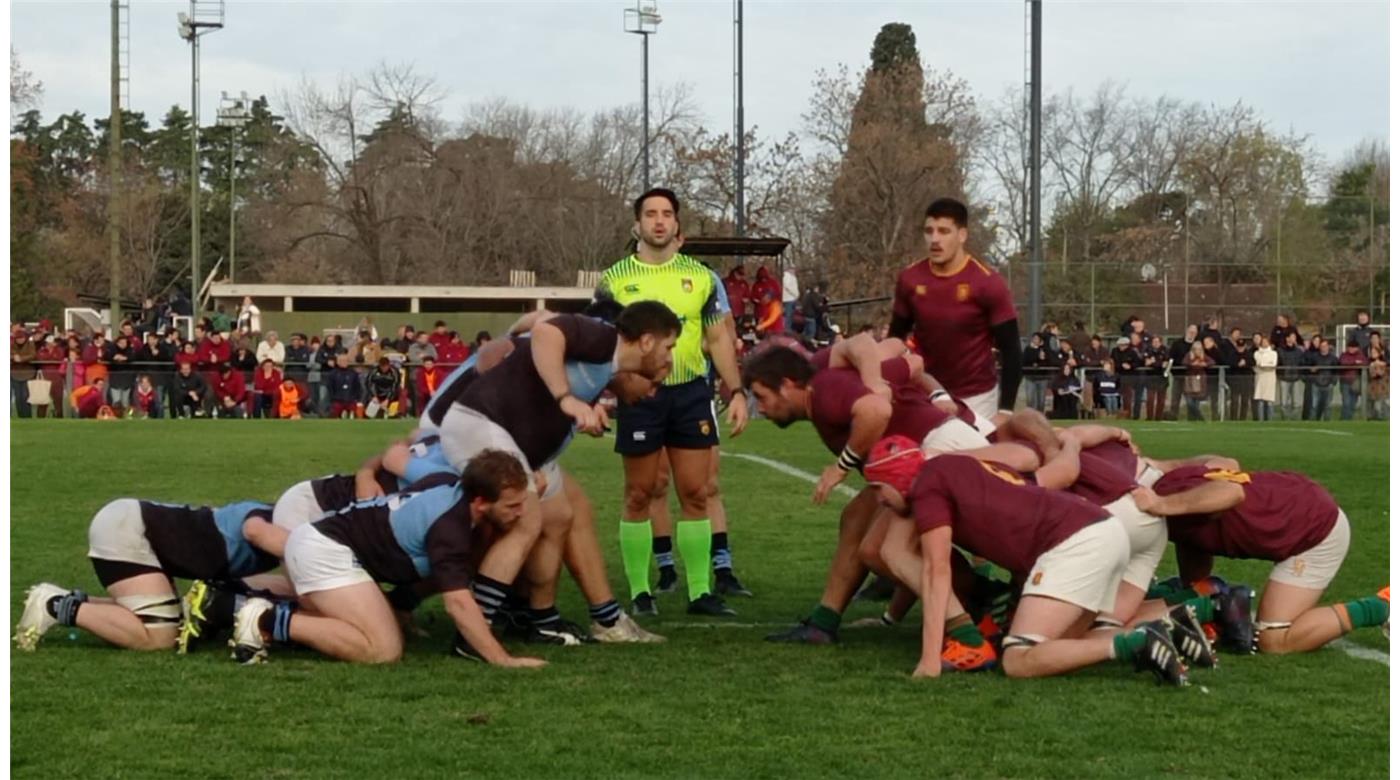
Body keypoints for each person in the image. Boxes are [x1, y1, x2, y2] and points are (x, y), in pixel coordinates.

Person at [422, 303, 681, 631]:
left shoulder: (601, 365)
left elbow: (537, 328)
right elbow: (542, 329)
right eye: (668, 347)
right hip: (471, 425)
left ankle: (548, 618)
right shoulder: (603, 337)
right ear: (645, 341)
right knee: (524, 516)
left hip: (500, 435)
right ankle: (477, 627)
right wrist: (564, 397)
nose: (671, 359)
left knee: (560, 514)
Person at [861, 441, 1188, 684]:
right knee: (1061, 648)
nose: (878, 500)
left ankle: (1141, 641)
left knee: (1018, 659)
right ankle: (1176, 622)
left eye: (878, 488)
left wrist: (930, 660)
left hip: (1075, 540)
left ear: (898, 476)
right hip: (1102, 528)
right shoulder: (958, 466)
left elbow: (936, 570)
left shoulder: (928, 485)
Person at [228, 451, 548, 667]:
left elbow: (395, 460)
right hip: (324, 549)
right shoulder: (451, 528)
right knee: (383, 649)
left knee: (372, 622)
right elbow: (459, 604)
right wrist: (503, 660)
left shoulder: (447, 482)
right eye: (512, 506)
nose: (521, 513)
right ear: (481, 502)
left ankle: (226, 598)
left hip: (324, 543)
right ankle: (264, 620)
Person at [595, 188, 751, 617]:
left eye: (667, 214)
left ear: (677, 225)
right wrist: (600, 393)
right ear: (637, 225)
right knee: (639, 493)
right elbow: (600, 339)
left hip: (690, 393)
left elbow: (719, 337)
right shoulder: (613, 277)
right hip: (639, 395)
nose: (659, 221)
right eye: (650, 214)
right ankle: (641, 592)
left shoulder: (702, 276)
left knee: (697, 493)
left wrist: (735, 390)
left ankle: (700, 592)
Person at [1135, 464, 1388, 654]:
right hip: (1299, 500)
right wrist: (1192, 592)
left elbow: (1231, 492)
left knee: (1273, 639)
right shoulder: (1165, 477)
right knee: (1193, 587)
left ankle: (1382, 605)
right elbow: (1224, 464)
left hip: (1315, 532)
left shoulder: (1161, 501)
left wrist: (1162, 504)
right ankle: (1197, 596)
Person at [14, 497, 283, 653]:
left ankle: (69, 600)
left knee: (172, 617)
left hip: (131, 525)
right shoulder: (273, 521)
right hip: (128, 532)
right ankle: (54, 605)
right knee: (160, 635)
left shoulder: (278, 516)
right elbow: (254, 530)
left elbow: (272, 583)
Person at [889, 198, 1021, 420]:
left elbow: (1012, 350)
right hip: (928, 394)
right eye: (929, 231)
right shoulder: (910, 279)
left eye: (943, 231)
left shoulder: (987, 283)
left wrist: (1006, 410)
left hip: (977, 397)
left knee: (973, 454)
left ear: (962, 235)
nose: (935, 239)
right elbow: (894, 340)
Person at [1308, 339, 1340, 420]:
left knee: (1328, 405)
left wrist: (1333, 382)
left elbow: (1336, 371)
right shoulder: (1314, 357)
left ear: (1328, 347)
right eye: (1322, 346)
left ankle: (1327, 421)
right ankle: (1313, 421)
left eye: (1325, 346)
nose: (1323, 348)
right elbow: (1309, 368)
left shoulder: (1333, 358)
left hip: (1328, 384)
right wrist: (1312, 370)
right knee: (1314, 405)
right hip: (1316, 383)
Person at [1338, 340, 1369, 420]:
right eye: (1350, 347)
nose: (1351, 349)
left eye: (1353, 347)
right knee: (1346, 403)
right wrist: (1355, 363)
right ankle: (1344, 420)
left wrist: (1354, 364)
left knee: (1353, 403)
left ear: (1357, 348)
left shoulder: (1361, 355)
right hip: (1345, 382)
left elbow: (1365, 363)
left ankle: (1349, 419)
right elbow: (1343, 363)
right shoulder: (1344, 355)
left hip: (1356, 383)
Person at [326, 353, 363, 419]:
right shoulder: (333, 374)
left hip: (350, 400)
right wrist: (333, 399)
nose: (344, 362)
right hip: (337, 401)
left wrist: (356, 398)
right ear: (337, 362)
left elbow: (357, 387)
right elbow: (330, 388)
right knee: (332, 415)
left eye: (345, 360)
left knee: (355, 415)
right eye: (342, 361)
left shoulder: (353, 373)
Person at [1276, 332, 1304, 419]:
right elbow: (1279, 363)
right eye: (1292, 336)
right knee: (1283, 401)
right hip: (1284, 378)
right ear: (1287, 339)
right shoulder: (1280, 350)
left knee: (1296, 402)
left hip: (1296, 378)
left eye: (1295, 337)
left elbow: (1302, 363)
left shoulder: (1299, 351)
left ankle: (1294, 418)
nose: (1294, 338)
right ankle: (1285, 418)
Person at [1021, 333, 1051, 413]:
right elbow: (1024, 361)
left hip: (1042, 377)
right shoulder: (1028, 349)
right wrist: (1036, 358)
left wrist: (1041, 360)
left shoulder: (1044, 350)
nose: (1035, 340)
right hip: (1030, 377)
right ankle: (1030, 416)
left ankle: (1040, 416)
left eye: (1037, 339)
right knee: (1030, 399)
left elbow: (1048, 361)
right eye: (1034, 338)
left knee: (1041, 401)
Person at [1183, 341, 1213, 421]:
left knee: (1196, 401)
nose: (1197, 351)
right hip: (1190, 380)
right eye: (1196, 349)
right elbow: (1184, 362)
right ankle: (1200, 418)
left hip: (1200, 381)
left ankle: (1195, 420)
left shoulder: (1204, 356)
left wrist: (1204, 364)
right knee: (1189, 402)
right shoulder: (1189, 355)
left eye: (1199, 349)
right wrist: (1193, 364)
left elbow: (1212, 362)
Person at [11, 327, 36, 418]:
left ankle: (27, 416)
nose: (20, 340)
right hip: (15, 373)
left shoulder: (30, 344)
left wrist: (21, 359)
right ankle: (20, 416)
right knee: (18, 397)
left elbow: (33, 355)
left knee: (25, 396)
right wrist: (14, 357)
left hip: (28, 373)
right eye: (18, 338)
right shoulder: (12, 345)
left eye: (21, 338)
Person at [1252, 338, 1277, 421]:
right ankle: (1261, 419)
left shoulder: (1274, 353)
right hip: (1260, 377)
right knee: (1261, 400)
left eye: (1266, 342)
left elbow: (1273, 364)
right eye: (1263, 342)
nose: (1264, 343)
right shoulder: (1257, 353)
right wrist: (1266, 365)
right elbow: (1259, 363)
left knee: (1270, 400)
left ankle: (1270, 419)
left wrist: (1265, 365)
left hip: (1270, 377)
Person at [1367, 345, 1389, 420]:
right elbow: (1373, 374)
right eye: (1372, 352)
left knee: (1384, 402)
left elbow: (1382, 373)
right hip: (1374, 386)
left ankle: (1385, 416)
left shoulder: (1384, 363)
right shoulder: (1370, 363)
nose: (1373, 354)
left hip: (1383, 386)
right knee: (1375, 402)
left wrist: (1379, 366)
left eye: (1374, 352)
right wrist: (1374, 367)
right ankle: (1376, 416)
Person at [781, 265, 801, 330]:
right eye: (793, 269)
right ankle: (787, 329)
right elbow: (787, 286)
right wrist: (795, 294)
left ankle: (789, 329)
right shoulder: (787, 276)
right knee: (788, 316)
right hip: (789, 299)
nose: (794, 270)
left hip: (792, 298)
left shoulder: (792, 277)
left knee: (791, 316)